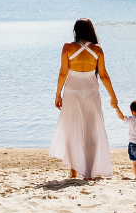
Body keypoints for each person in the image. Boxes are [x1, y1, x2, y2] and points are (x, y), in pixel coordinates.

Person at [49, 18, 118, 179]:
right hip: (91, 91)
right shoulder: (97, 49)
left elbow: (63, 73)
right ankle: (89, 171)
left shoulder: (68, 47)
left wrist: (58, 94)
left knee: (71, 129)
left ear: (76, 31)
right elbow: (103, 75)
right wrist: (113, 97)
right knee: (91, 131)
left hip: (72, 91)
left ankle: (73, 172)